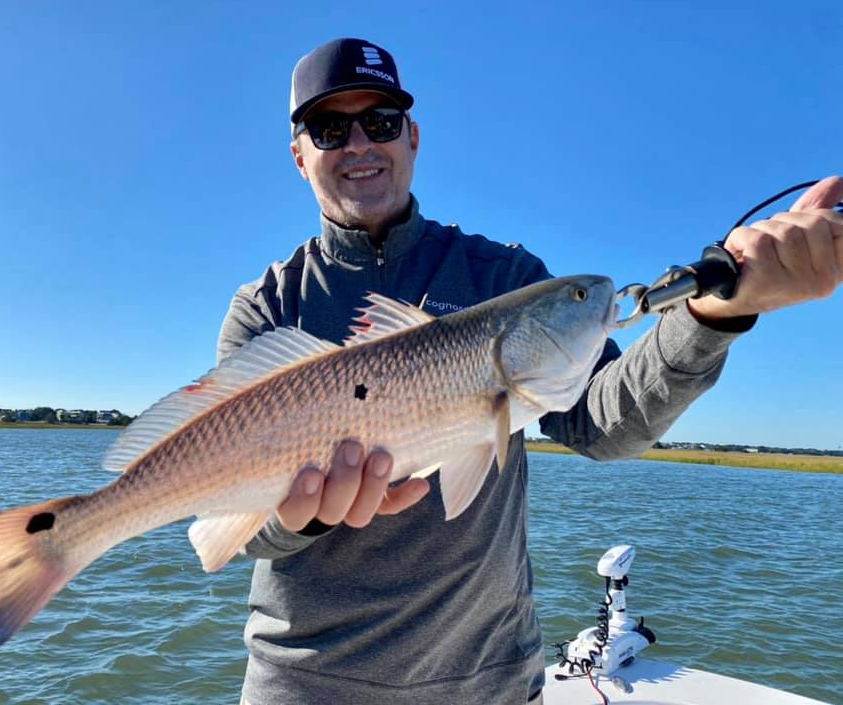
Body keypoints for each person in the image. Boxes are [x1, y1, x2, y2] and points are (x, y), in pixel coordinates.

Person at [218, 37, 843, 705]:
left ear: (413, 137)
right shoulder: (268, 307)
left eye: (380, 122)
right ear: (299, 155)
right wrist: (306, 516)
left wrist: (711, 318)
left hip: (491, 681)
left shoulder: (505, 278)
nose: (359, 144)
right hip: (307, 684)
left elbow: (605, 426)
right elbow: (237, 523)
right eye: (329, 128)